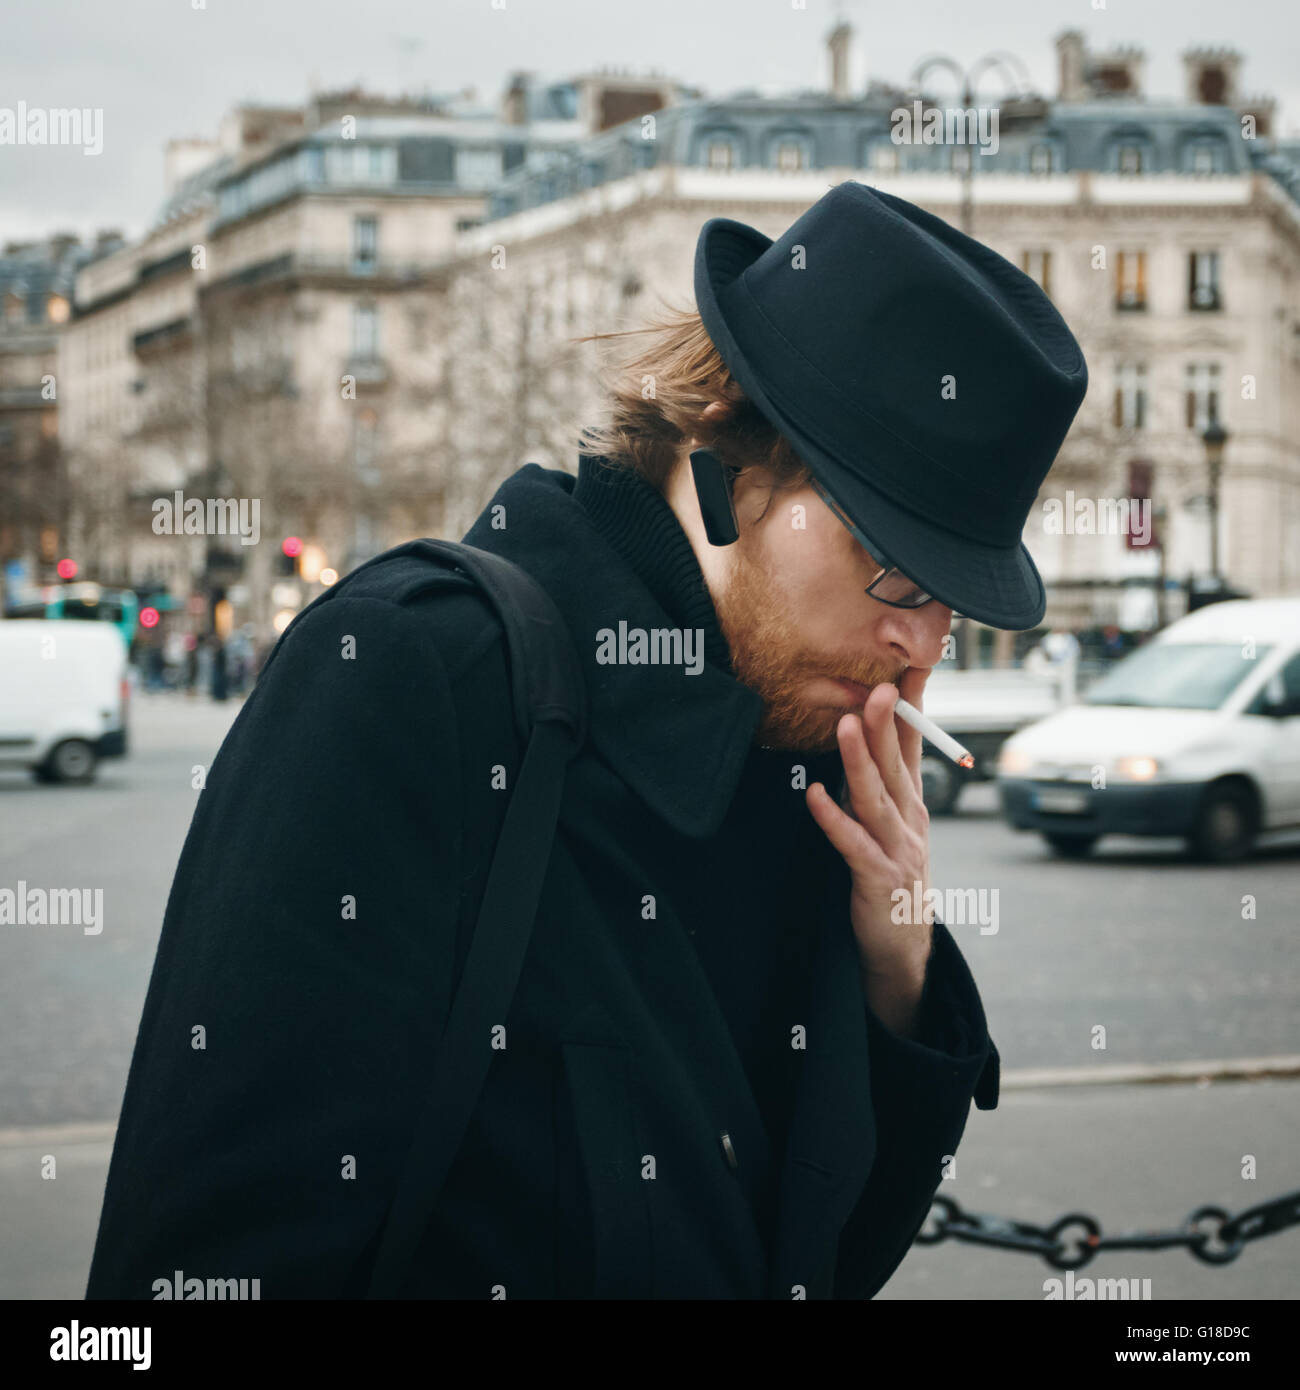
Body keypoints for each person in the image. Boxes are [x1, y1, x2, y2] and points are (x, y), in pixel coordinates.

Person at [85, 181, 1087, 1300]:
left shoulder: (802, 751)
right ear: (721, 451)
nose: (923, 643)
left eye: (954, 595)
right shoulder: (414, 677)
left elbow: (821, 1264)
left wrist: (895, 976)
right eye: (893, 563)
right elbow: (203, 1259)